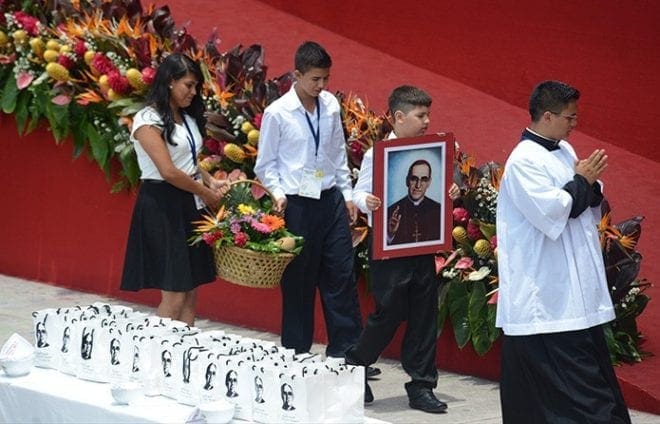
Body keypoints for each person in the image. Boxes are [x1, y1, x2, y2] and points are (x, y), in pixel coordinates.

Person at [496, 80, 631, 423]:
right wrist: (582, 182)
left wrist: (586, 183)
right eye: (570, 118)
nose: (575, 124)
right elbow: (553, 212)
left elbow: (589, 195)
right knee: (580, 398)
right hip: (547, 300)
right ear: (547, 115)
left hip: (575, 294)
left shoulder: (564, 150)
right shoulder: (523, 161)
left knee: (592, 382)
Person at [346, 85, 457, 414]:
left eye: (428, 115)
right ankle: (356, 363)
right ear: (398, 117)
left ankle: (422, 385)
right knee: (388, 313)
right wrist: (366, 201)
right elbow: (357, 192)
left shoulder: (433, 151)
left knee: (425, 317)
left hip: (422, 249)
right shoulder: (377, 154)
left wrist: (452, 188)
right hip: (389, 250)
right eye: (420, 115)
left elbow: (447, 187)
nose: (427, 121)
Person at [254, 41, 362, 358]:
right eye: (315, 79)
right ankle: (296, 355)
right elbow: (265, 164)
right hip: (296, 204)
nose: (321, 86)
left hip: (329, 200)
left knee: (341, 277)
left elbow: (337, 153)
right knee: (299, 282)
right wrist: (276, 193)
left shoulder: (329, 106)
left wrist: (348, 195)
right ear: (297, 75)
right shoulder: (278, 113)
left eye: (325, 78)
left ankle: (349, 355)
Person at [120, 53, 228, 326]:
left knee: (190, 291)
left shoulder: (186, 116)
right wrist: (205, 193)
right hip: (162, 205)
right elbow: (167, 171)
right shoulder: (147, 120)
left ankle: (182, 356)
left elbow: (187, 160)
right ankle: (153, 360)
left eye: (195, 87)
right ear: (169, 81)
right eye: (188, 85)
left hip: (189, 202)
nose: (193, 92)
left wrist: (209, 180)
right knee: (175, 294)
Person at [387, 159, 442, 244]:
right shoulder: (391, 211)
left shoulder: (439, 210)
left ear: (429, 183)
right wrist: (390, 234)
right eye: (414, 179)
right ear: (407, 181)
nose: (418, 185)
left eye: (423, 179)